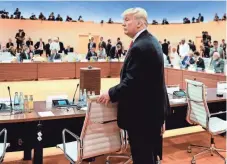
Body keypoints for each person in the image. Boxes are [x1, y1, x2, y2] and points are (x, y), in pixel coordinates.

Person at [97, 7, 170, 164]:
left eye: (127, 20)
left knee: (142, 156)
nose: (123, 24)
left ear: (140, 23)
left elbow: (132, 82)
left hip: (142, 115)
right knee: (148, 155)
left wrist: (110, 93)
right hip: (150, 112)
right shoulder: (150, 41)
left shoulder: (141, 46)